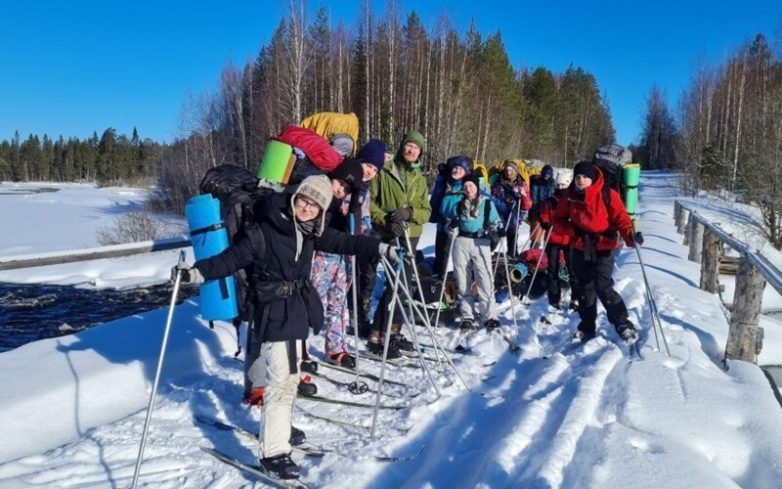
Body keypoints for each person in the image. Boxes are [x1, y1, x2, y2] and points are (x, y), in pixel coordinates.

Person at [174, 175, 399, 480]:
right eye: (305, 201)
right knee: (280, 381)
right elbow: (230, 259)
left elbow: (346, 241)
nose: (308, 208)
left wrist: (379, 248)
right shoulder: (263, 230)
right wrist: (196, 274)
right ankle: (273, 453)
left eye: (316, 205)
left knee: (290, 378)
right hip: (271, 311)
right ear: (295, 198)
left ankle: (278, 427)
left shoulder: (310, 231)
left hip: (296, 311)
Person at [549, 161, 643, 343]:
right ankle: (587, 325)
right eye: (578, 177)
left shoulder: (608, 194)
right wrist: (572, 231)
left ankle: (622, 322)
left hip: (603, 245)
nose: (581, 180)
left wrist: (631, 236)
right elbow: (558, 219)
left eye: (585, 177)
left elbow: (622, 219)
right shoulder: (570, 196)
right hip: (579, 246)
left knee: (602, 285)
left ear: (592, 178)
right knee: (584, 287)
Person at [310, 149, 382, 369]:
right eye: (368, 165)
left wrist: (365, 232)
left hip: (346, 256)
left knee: (339, 304)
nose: (369, 171)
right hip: (324, 254)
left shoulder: (363, 192)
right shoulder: (335, 183)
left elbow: (364, 221)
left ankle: (336, 348)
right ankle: (298, 352)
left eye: (374, 169)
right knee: (312, 303)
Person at [366, 130, 432, 358]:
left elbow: (426, 211)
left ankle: (393, 332)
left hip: (410, 235)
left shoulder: (420, 179)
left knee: (404, 286)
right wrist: (385, 220)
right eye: (409, 145)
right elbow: (371, 204)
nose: (411, 150)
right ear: (402, 146)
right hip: (390, 234)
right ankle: (377, 335)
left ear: (420, 152)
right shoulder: (384, 171)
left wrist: (410, 212)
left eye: (416, 147)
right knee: (393, 286)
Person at [441, 173, 502, 331]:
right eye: (466, 186)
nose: (468, 189)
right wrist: (452, 226)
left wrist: (496, 231)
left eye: (471, 186)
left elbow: (495, 222)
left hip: (481, 242)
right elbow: (449, 228)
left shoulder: (487, 204)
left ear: (477, 187)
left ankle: (489, 315)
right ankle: (467, 316)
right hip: (461, 242)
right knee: (462, 280)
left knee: (485, 278)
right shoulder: (458, 204)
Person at [539, 170, 580, 309]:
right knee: (552, 269)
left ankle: (576, 297)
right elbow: (544, 214)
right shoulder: (550, 201)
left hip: (569, 239)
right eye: (559, 185)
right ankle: (554, 297)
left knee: (573, 269)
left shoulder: (572, 200)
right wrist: (544, 221)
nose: (561, 188)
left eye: (563, 185)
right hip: (553, 238)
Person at [429, 155, 472, 278]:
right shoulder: (445, 184)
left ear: (466, 172)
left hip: (459, 229)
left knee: (459, 259)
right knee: (441, 257)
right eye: (455, 168)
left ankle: (460, 283)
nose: (457, 171)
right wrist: (441, 178)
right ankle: (438, 283)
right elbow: (435, 200)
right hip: (442, 226)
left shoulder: (467, 186)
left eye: (461, 169)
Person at [491, 160, 532, 257]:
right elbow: (493, 200)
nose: (509, 172)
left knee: (512, 239)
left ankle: (512, 257)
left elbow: (527, 205)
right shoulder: (498, 183)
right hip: (499, 215)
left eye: (511, 170)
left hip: (514, 215)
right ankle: (487, 255)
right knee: (494, 238)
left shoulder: (522, 184)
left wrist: (524, 195)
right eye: (507, 170)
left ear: (516, 171)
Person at [529, 164, 556, 248]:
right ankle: (533, 251)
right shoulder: (536, 183)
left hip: (549, 212)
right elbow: (534, 197)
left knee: (550, 235)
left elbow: (554, 197)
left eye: (548, 176)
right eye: (545, 176)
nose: (546, 178)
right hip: (537, 210)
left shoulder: (553, 184)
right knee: (536, 234)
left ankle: (547, 253)